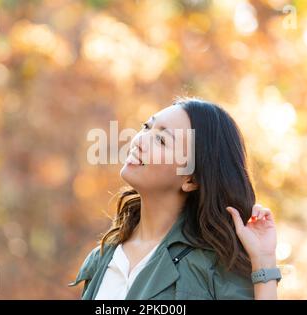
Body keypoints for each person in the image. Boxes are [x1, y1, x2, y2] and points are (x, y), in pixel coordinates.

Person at [69, 97, 280, 300]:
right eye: (146, 127)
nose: (139, 141)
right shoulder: (103, 257)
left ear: (191, 180)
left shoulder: (214, 268)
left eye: (161, 140)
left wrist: (264, 262)